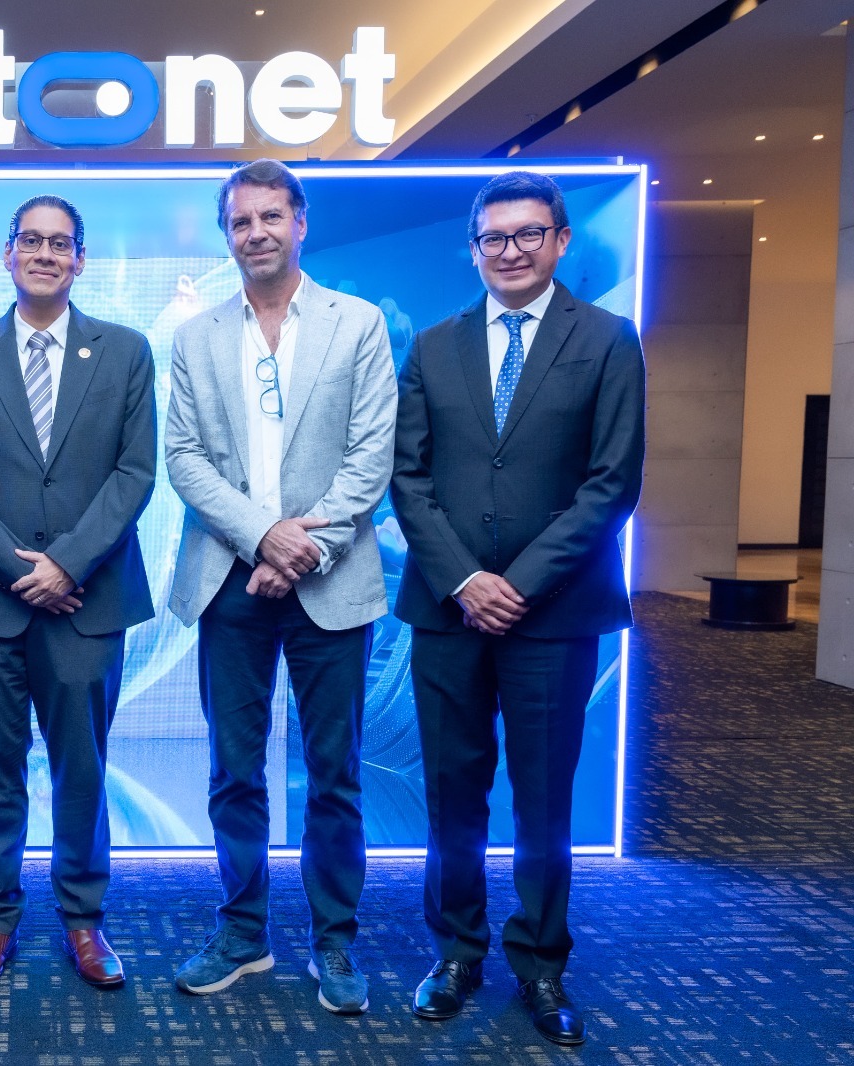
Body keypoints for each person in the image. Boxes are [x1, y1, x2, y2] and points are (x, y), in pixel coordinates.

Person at [391, 171, 645, 1046]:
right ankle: (456, 952)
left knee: (543, 801)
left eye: (529, 234)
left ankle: (541, 964)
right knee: (451, 793)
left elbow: (612, 483)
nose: (510, 251)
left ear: (560, 240)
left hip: (555, 616)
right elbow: (408, 479)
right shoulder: (434, 346)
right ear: (473, 249)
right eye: (493, 238)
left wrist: (519, 583)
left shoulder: (607, 339)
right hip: (447, 612)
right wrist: (466, 580)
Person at [163, 159, 397, 1013]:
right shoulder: (196, 336)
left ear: (301, 222)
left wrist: (301, 548)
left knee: (334, 774)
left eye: (270, 216)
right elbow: (183, 457)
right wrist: (262, 536)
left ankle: (334, 942)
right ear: (227, 234)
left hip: (331, 581)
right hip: (229, 578)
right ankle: (242, 933)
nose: (255, 232)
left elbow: (371, 455)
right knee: (234, 772)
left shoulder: (357, 324)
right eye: (240, 221)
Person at [0, 194, 157, 990]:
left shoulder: (125, 351)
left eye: (62, 244)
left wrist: (70, 566)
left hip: (88, 603)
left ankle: (84, 920)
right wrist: (27, 572)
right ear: (8, 253)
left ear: (81, 260)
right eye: (32, 240)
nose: (46, 254)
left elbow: (135, 474)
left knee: (81, 772)